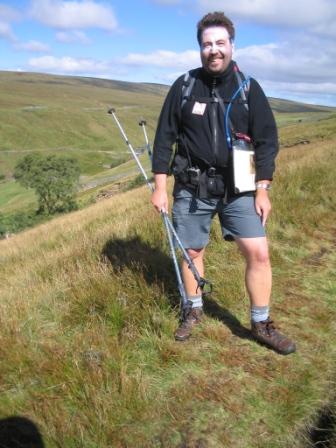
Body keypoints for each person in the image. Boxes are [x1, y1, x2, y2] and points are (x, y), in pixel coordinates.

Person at [151, 11, 296, 355]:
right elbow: (163, 139)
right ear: (199, 48)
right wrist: (160, 187)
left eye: (220, 43)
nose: (213, 50)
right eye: (207, 44)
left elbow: (267, 142)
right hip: (192, 186)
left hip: (239, 189)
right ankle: (194, 311)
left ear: (231, 45)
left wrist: (263, 189)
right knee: (192, 252)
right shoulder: (184, 86)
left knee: (258, 253)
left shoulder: (249, 88)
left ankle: (261, 323)